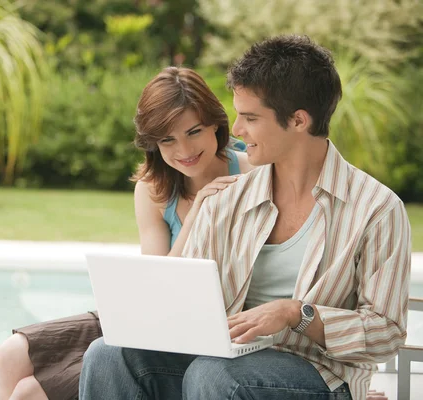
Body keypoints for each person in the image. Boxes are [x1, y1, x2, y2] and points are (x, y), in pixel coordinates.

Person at [79, 35, 411, 400]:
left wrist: (295, 313)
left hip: (318, 375)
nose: (236, 130)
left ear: (299, 120)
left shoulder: (376, 209)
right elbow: (181, 302)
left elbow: (386, 334)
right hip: (225, 361)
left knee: (216, 375)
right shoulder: (227, 200)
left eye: (250, 118)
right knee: (109, 354)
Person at [0, 67, 252, 400]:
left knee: (28, 392)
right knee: (10, 354)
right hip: (151, 318)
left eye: (194, 131)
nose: (183, 149)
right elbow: (158, 284)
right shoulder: (153, 190)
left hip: (198, 330)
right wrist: (198, 211)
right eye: (167, 139)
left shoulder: (249, 173)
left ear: (216, 123)